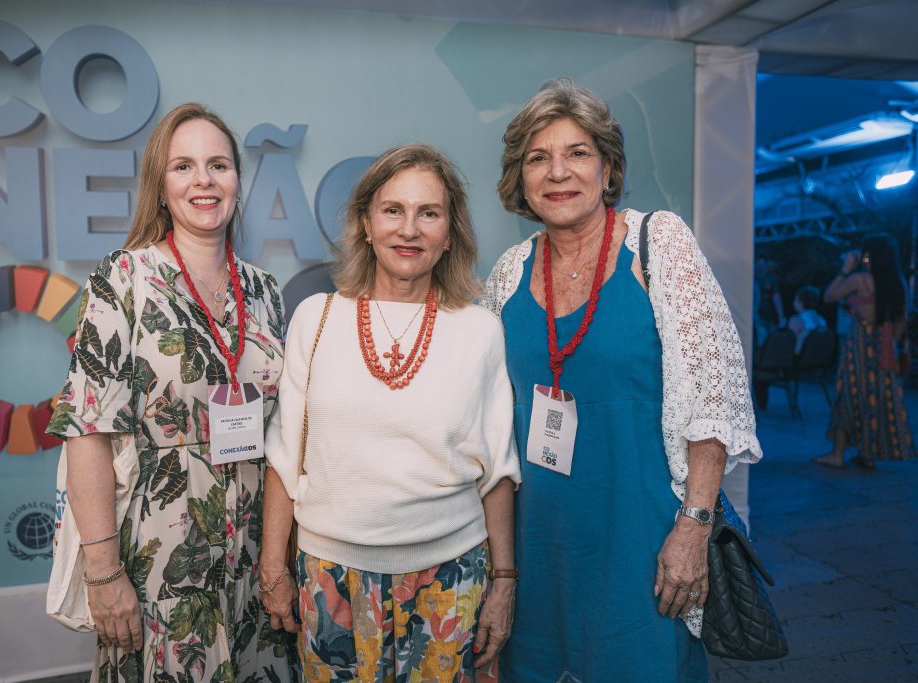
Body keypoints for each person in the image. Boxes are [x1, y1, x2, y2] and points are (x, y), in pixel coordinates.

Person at [481, 78, 762, 682]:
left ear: (608, 168)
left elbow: (712, 401)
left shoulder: (658, 243)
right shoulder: (508, 273)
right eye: (538, 157)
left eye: (577, 153)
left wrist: (694, 527)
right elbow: (487, 416)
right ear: (520, 179)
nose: (558, 171)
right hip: (538, 548)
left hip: (644, 542)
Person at [47, 103, 294, 681]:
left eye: (219, 165)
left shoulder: (265, 290)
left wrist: (281, 560)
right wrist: (104, 574)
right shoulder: (121, 280)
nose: (204, 180)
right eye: (183, 166)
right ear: (160, 187)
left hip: (259, 556)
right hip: (158, 558)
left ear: (237, 181)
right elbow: (87, 431)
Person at [260, 144, 521, 681]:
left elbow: (497, 470)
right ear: (366, 223)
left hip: (450, 580)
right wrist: (272, 571)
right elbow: (285, 461)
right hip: (330, 578)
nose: (410, 229)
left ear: (449, 234)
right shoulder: (315, 318)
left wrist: (504, 581)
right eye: (393, 210)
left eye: (429, 213)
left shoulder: (479, 331)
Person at [815, 233, 914, 469]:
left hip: (860, 343)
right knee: (876, 396)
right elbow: (901, 321)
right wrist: (894, 346)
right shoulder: (898, 284)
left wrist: (845, 268)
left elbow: (829, 296)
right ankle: (868, 453)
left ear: (869, 255)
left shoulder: (860, 280)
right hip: (885, 347)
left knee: (848, 394)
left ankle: (837, 454)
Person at [787, 285, 828, 354]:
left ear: (801, 303)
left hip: (799, 359)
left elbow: (789, 342)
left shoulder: (796, 320)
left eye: (795, 300)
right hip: (819, 358)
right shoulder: (822, 320)